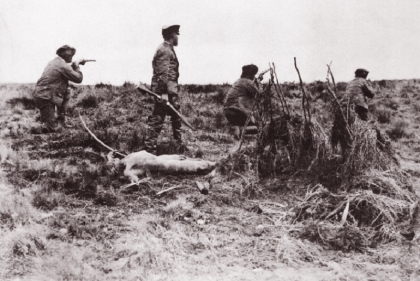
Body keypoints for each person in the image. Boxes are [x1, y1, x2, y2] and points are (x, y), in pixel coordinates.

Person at [144, 25, 182, 155]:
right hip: (165, 92)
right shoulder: (165, 50)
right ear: (172, 35)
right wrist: (164, 94)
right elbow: (162, 75)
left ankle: (178, 146)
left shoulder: (167, 49)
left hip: (170, 92)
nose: (178, 37)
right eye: (177, 34)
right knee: (158, 119)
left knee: (176, 117)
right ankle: (149, 151)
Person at [33, 45, 84, 132]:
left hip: (43, 95)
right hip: (46, 98)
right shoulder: (63, 66)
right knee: (49, 128)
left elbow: (65, 70)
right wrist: (76, 66)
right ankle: (23, 128)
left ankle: (61, 119)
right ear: (68, 56)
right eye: (71, 55)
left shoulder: (54, 62)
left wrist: (73, 65)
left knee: (67, 91)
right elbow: (78, 78)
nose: (72, 57)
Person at [223, 64, 260, 139]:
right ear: (252, 74)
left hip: (228, 112)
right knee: (260, 126)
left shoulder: (237, 81)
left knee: (250, 120)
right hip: (238, 111)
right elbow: (259, 95)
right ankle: (240, 130)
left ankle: (237, 129)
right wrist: (257, 83)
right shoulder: (249, 82)